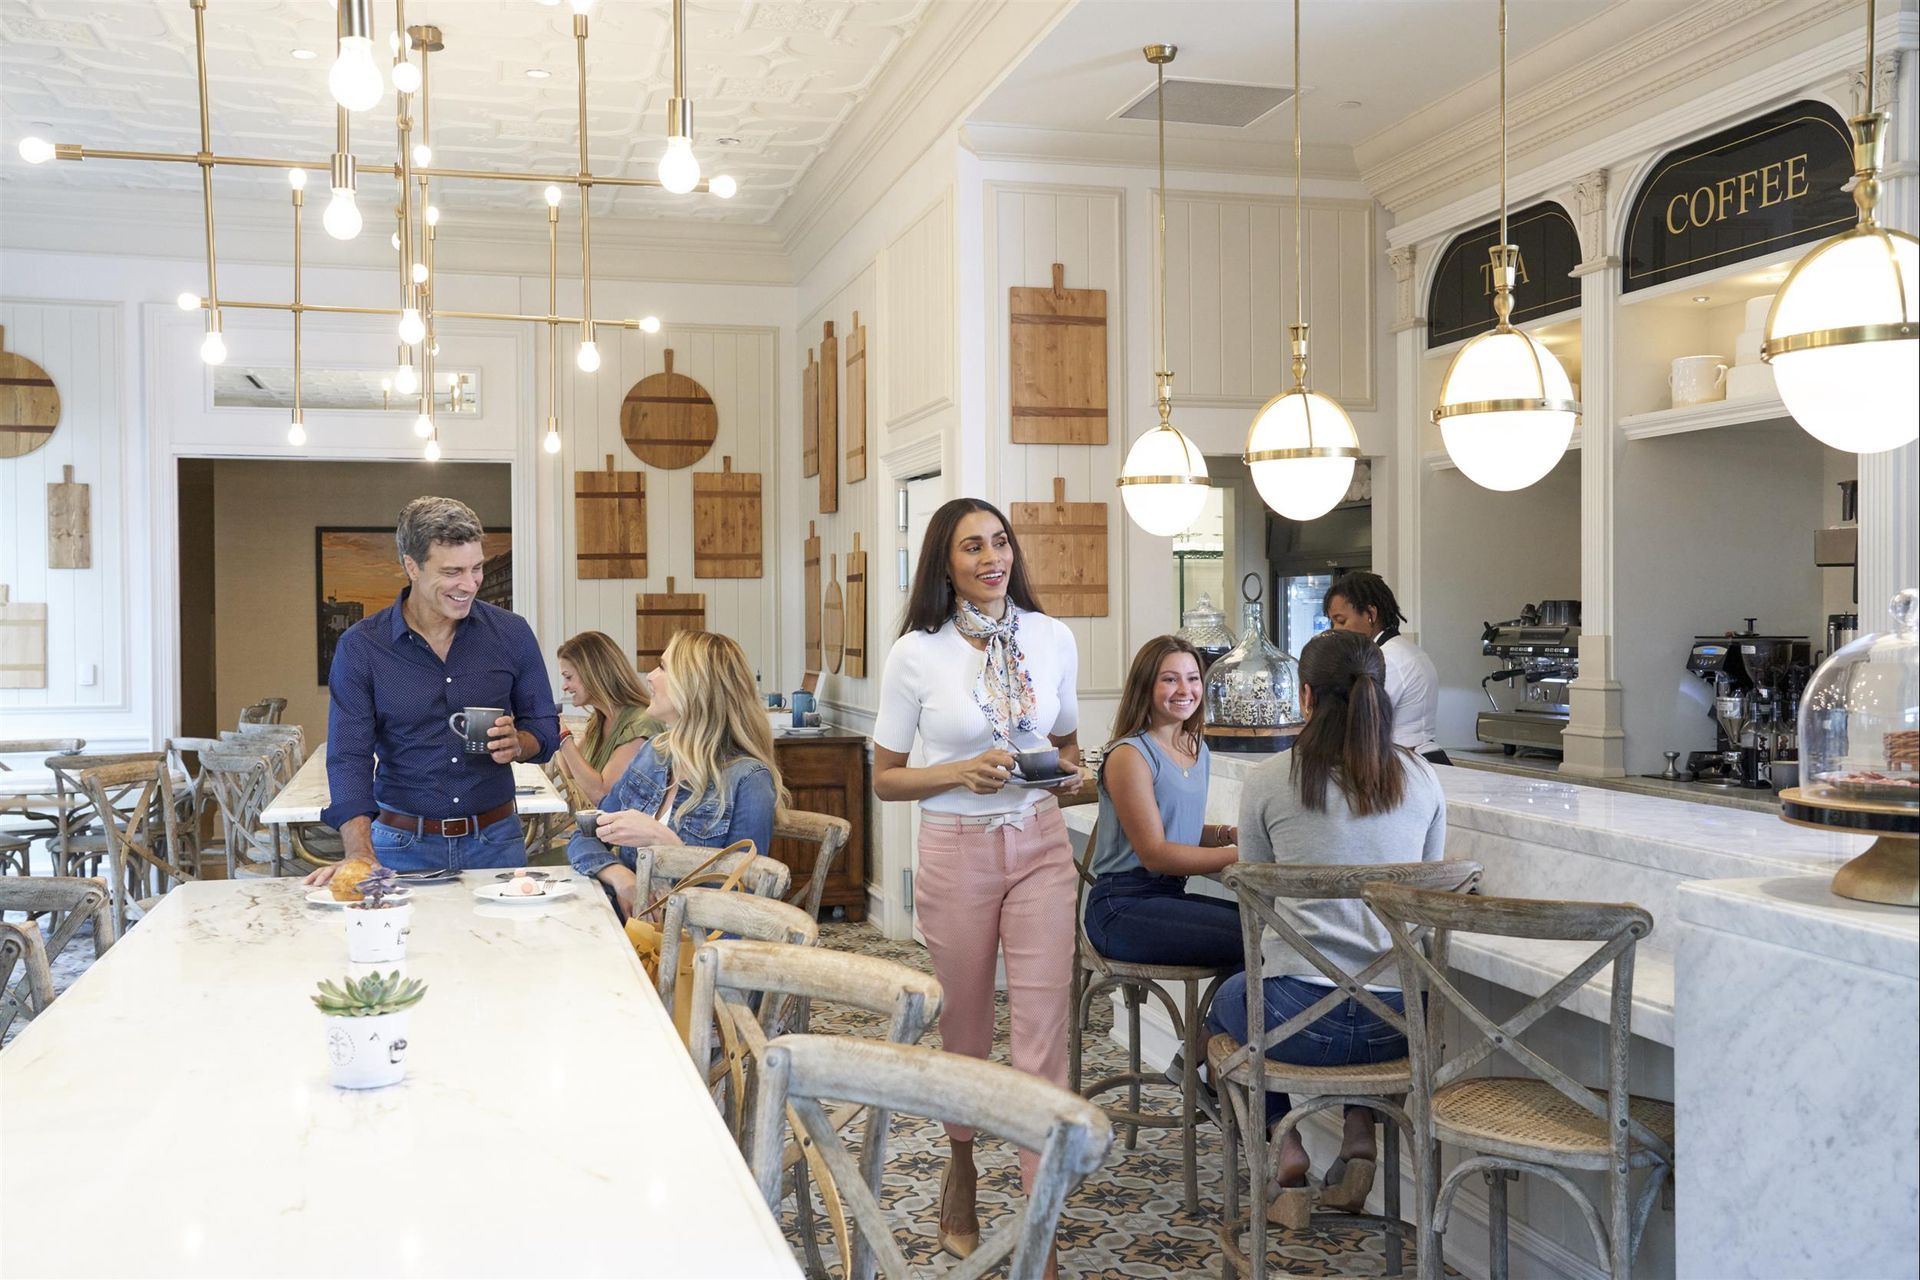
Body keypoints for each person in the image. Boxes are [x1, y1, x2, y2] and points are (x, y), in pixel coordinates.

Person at [871, 497, 1082, 1267]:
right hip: (955, 848)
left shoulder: (1052, 637)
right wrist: (959, 771)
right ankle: (959, 1166)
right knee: (964, 1025)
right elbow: (886, 780)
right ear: (946, 562)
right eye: (972, 547)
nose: (992, 557)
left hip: (1039, 847)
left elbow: (1065, 747)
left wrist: (1071, 775)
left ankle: (1041, 1223)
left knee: (1042, 1037)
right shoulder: (916, 654)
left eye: (1000, 542)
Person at [1205, 628, 1446, 1220]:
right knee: (1354, 997)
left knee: (1226, 1004)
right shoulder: (1423, 780)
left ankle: (1284, 1151)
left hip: (1296, 1024)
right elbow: (1427, 893)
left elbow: (1254, 911)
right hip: (1399, 1027)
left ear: (1304, 697)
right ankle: (1358, 1133)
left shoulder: (1267, 783)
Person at [306, 497, 558, 883]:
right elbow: (349, 756)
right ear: (412, 566)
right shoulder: (362, 647)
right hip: (399, 844)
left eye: (476, 569)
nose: (470, 584)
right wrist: (359, 853)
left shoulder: (511, 633)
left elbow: (544, 725)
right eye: (453, 571)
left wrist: (520, 742)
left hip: (497, 841)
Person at [567, 631, 786, 920]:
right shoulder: (653, 755)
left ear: (694, 685)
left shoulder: (748, 780)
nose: (650, 676)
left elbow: (742, 903)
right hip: (634, 936)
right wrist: (623, 879)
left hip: (693, 953)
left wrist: (667, 845)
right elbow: (583, 838)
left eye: (663, 667)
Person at [1083, 635, 1241, 970]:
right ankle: (1226, 1021)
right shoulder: (1130, 755)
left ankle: (1229, 1019)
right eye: (1170, 680)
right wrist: (1246, 854)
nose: (1185, 690)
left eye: (1193, 678)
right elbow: (1155, 854)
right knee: (1260, 934)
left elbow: (1177, 830)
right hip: (1121, 908)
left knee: (1273, 926)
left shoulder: (1197, 749)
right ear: (1145, 686)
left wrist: (1228, 834)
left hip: (1168, 898)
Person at [1323, 570, 1447, 765]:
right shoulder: (1403, 650)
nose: (1335, 630)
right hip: (1417, 758)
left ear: (1371, 614)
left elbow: (1360, 722)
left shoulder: (1389, 659)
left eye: (1341, 621)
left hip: (1404, 763)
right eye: (1332, 622)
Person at [554, 630, 665, 806]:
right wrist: (554, 727)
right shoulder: (600, 719)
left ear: (593, 673)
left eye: (568, 677)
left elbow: (603, 794)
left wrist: (563, 736)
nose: (564, 687)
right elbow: (570, 770)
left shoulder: (640, 724)